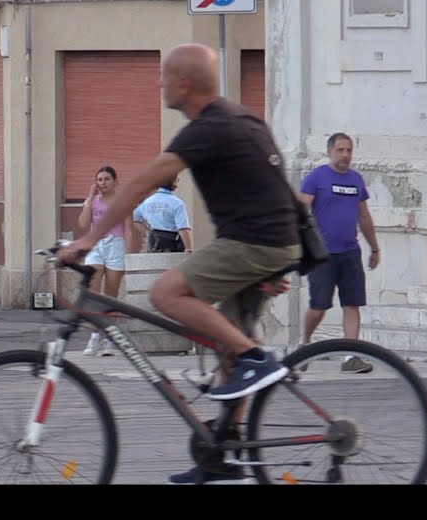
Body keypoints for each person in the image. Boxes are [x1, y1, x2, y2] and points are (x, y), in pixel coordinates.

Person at [57, 43, 299, 485]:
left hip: (254, 242)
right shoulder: (239, 118)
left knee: (165, 292)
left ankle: (255, 359)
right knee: (226, 340)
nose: (158, 84)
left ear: (184, 84)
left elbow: (139, 186)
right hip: (271, 242)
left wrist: (88, 239)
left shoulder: (207, 128)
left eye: (164, 76)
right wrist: (278, 260)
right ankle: (222, 452)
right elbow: (277, 184)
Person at [298, 132, 379, 374]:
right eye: (340, 150)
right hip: (323, 255)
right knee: (319, 306)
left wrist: (374, 248)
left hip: (350, 252)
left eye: (349, 150)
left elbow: (363, 215)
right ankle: (305, 345)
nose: (345, 155)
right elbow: (300, 210)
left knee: (352, 304)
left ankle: (351, 356)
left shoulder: (356, 179)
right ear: (329, 152)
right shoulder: (316, 177)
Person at [77, 166, 133, 356]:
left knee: (110, 296)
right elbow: (83, 224)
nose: (103, 183)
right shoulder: (92, 201)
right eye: (99, 179)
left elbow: (128, 229)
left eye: (107, 179)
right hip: (96, 246)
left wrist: (130, 253)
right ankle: (94, 337)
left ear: (115, 182)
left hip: (116, 245)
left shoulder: (123, 202)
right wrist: (89, 199)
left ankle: (110, 339)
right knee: (93, 294)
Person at [131, 176, 193, 253]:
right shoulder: (177, 203)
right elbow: (183, 228)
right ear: (173, 182)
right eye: (177, 179)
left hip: (153, 240)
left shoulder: (147, 202)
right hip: (172, 241)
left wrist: (145, 231)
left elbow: (134, 219)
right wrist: (189, 248)